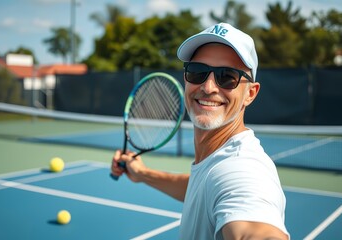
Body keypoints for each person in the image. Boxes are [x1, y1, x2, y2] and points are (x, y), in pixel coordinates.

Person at [111, 22, 290, 240]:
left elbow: (254, 222)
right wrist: (143, 174)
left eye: (227, 76)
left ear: (250, 93)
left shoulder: (244, 169)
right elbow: (199, 187)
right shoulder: (214, 164)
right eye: (198, 72)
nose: (208, 87)